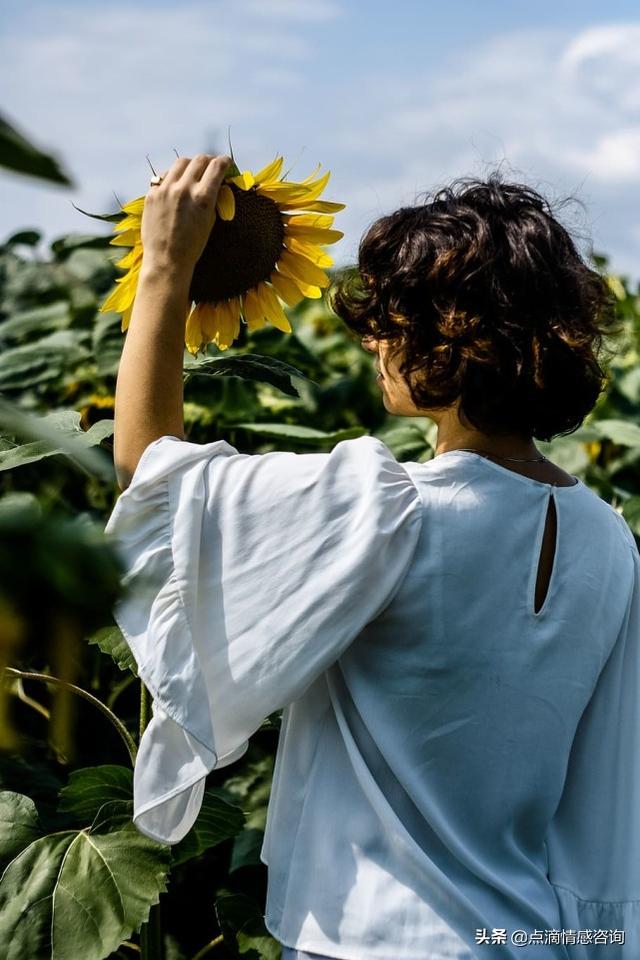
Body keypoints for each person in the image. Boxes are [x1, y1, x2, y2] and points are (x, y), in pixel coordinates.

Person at [104, 155, 640, 960]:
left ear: (449, 338)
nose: (377, 338)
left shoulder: (382, 507)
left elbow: (153, 480)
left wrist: (166, 271)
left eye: (395, 317)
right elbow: (604, 796)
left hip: (370, 939)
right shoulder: (609, 535)